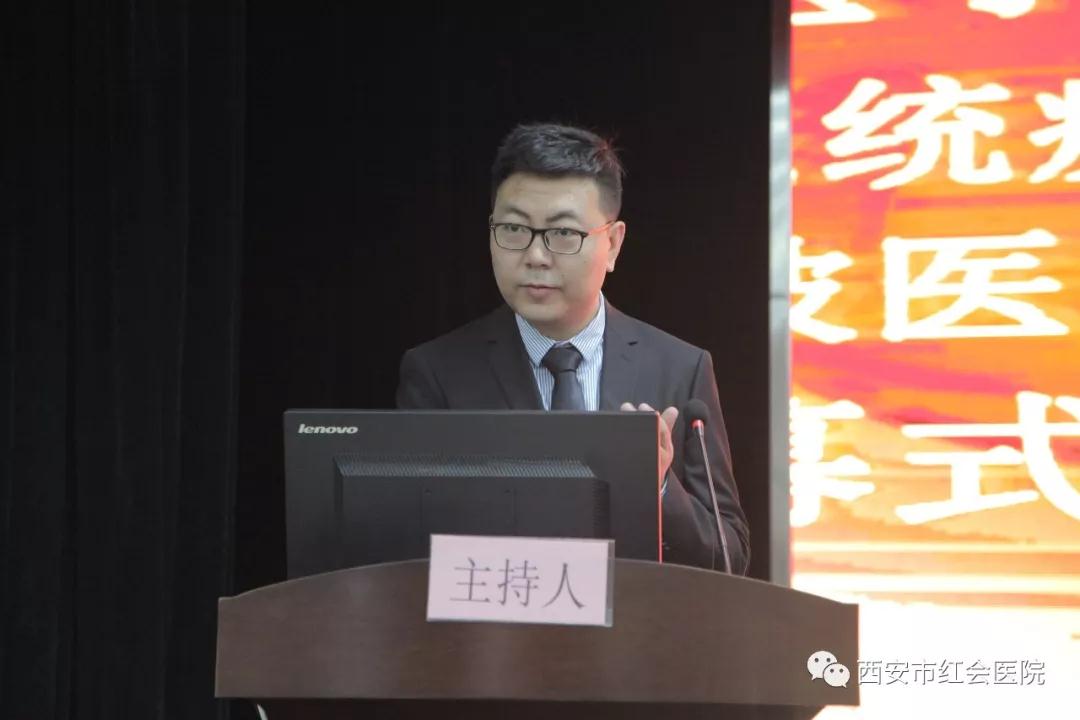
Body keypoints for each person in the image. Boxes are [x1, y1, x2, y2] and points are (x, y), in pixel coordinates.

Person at [395, 122, 749, 573]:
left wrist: (659, 487)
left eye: (563, 234)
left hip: (636, 617)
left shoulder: (680, 368)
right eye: (513, 229)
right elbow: (406, 554)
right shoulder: (438, 372)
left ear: (613, 244)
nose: (535, 256)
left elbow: (729, 558)